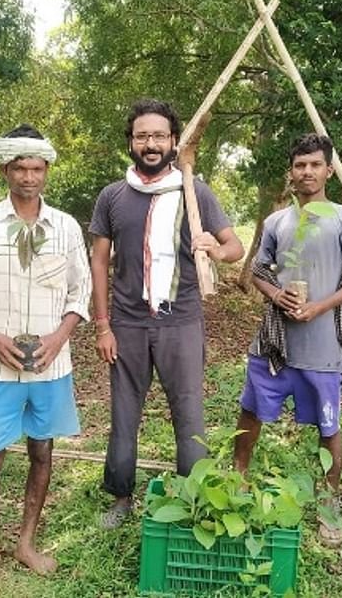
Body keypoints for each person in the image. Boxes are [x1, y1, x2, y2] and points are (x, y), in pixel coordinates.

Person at [90, 99, 245, 528]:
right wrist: (102, 325)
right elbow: (99, 262)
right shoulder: (113, 197)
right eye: (142, 136)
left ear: (174, 141)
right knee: (124, 412)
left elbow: (235, 248)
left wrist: (215, 248)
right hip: (127, 323)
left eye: (159, 135)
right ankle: (121, 497)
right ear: (131, 142)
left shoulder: (193, 191)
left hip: (181, 322)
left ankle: (191, 499)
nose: (151, 143)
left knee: (189, 412)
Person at [0, 124, 92, 586]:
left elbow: (81, 290)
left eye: (36, 168)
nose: (28, 177)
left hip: (51, 364)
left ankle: (26, 542)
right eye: (19, 168)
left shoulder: (67, 226)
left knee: (42, 449)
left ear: (46, 170)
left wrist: (59, 337)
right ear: (4, 170)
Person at [233, 133, 342, 548]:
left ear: (329, 170)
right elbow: (258, 271)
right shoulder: (277, 222)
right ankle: (238, 478)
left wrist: (320, 306)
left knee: (329, 426)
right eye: (299, 165)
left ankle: (329, 504)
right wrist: (276, 294)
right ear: (290, 172)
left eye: (314, 164)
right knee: (251, 410)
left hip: (323, 344)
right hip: (275, 343)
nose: (306, 172)